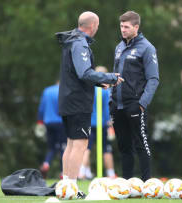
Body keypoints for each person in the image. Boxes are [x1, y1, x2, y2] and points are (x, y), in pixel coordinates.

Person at [55, 11, 124, 196]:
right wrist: (109, 77)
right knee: (80, 144)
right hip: (78, 101)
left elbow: (77, 73)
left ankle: (66, 187)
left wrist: (97, 82)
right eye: (98, 26)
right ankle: (72, 188)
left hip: (68, 99)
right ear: (92, 26)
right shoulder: (79, 43)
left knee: (71, 143)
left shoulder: (71, 41)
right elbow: (84, 73)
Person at [110, 11, 159, 181]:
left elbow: (153, 79)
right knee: (124, 147)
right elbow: (114, 76)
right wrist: (111, 98)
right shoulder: (119, 47)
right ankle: (126, 185)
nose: (122, 30)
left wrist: (142, 103)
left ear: (136, 27)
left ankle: (147, 185)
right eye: (121, 26)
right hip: (117, 105)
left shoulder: (147, 48)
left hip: (135, 104)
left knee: (141, 145)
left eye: (126, 27)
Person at [79, 66, 117, 179]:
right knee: (106, 149)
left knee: (86, 148)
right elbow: (107, 108)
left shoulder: (89, 88)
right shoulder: (106, 90)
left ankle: (82, 172)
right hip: (102, 123)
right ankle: (111, 174)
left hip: (89, 122)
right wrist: (110, 123)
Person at [37, 81, 67, 178]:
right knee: (63, 146)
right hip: (61, 122)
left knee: (52, 147)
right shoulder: (65, 90)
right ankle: (63, 172)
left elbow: (41, 108)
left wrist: (40, 121)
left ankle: (46, 164)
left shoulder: (47, 91)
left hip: (48, 122)